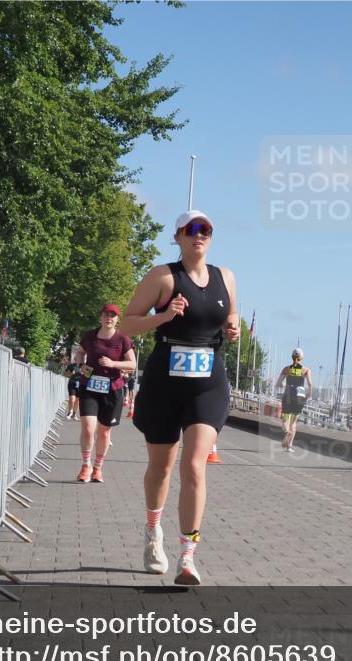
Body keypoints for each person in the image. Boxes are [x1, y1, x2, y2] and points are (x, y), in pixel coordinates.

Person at [120, 210, 238, 585]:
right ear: (178, 237)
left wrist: (233, 330)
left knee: (194, 465)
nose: (198, 236)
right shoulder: (163, 276)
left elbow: (230, 316)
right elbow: (127, 323)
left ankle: (188, 556)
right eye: (191, 230)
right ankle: (153, 531)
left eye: (206, 230)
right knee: (162, 468)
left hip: (208, 380)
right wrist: (164, 316)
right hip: (164, 382)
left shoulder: (226, 277)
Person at [74, 304, 136, 482]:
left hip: (112, 389)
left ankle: (98, 468)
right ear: (100, 317)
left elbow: (132, 364)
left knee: (104, 432)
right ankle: (86, 465)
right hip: (89, 386)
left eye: (113, 315)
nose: (109, 318)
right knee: (87, 427)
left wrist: (114, 364)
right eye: (106, 315)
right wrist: (81, 365)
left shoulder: (122, 338)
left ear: (117, 319)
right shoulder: (91, 336)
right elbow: (79, 353)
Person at [275, 348, 313, 452]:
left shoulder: (286, 369)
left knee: (285, 420)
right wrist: (309, 394)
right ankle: (289, 446)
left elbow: (278, 384)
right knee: (294, 422)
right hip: (299, 395)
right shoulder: (306, 370)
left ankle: (287, 432)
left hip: (288, 393)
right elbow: (310, 384)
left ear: (292, 357)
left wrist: (284, 385)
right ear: (302, 358)